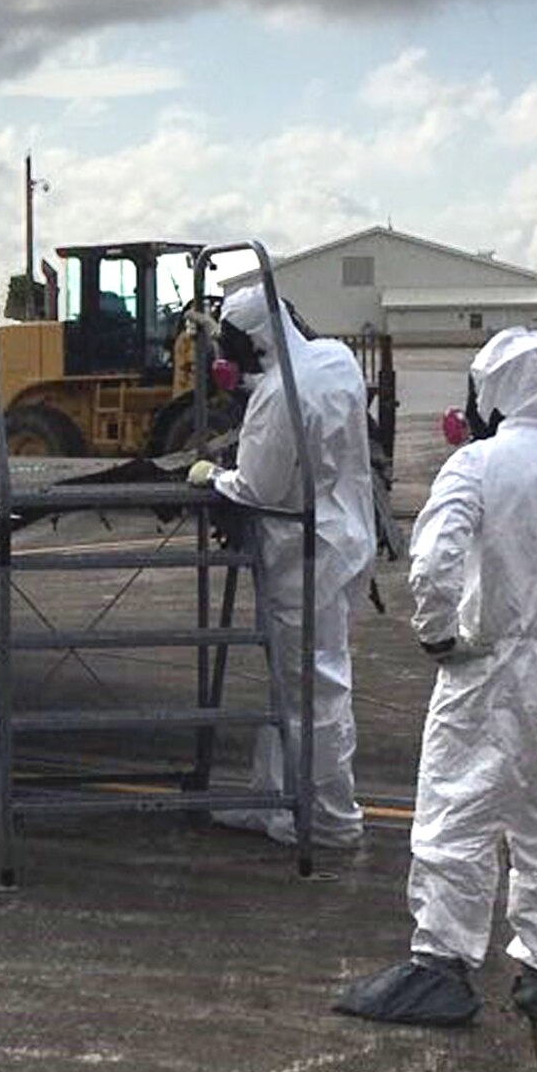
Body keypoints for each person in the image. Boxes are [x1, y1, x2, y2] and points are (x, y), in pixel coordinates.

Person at [337, 328, 537, 1028]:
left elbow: (434, 558)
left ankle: (441, 963)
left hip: (496, 662)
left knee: (457, 809)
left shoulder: (479, 464)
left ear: (493, 391)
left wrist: (440, 632)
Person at [187, 284, 376, 849]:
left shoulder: (277, 395)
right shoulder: (335, 361)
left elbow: (257, 485)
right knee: (295, 686)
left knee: (312, 689)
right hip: (342, 537)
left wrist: (213, 476)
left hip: (302, 555)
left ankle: (327, 819)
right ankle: (274, 802)